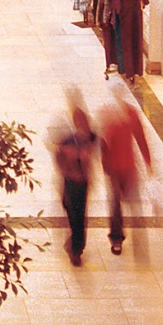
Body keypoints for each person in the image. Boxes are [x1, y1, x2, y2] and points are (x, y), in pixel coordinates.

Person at [91, 80, 152, 256]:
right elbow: (102, 142)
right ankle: (117, 239)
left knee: (134, 203)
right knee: (116, 205)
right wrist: (104, 164)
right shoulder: (106, 113)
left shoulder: (131, 114)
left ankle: (137, 236)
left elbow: (140, 137)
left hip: (128, 167)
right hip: (114, 169)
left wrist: (148, 161)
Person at [52, 105, 97, 265]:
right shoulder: (68, 141)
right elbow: (58, 156)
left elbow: (95, 146)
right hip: (71, 182)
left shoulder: (90, 138)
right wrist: (66, 169)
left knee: (80, 217)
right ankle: (74, 246)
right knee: (73, 215)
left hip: (82, 183)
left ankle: (76, 250)